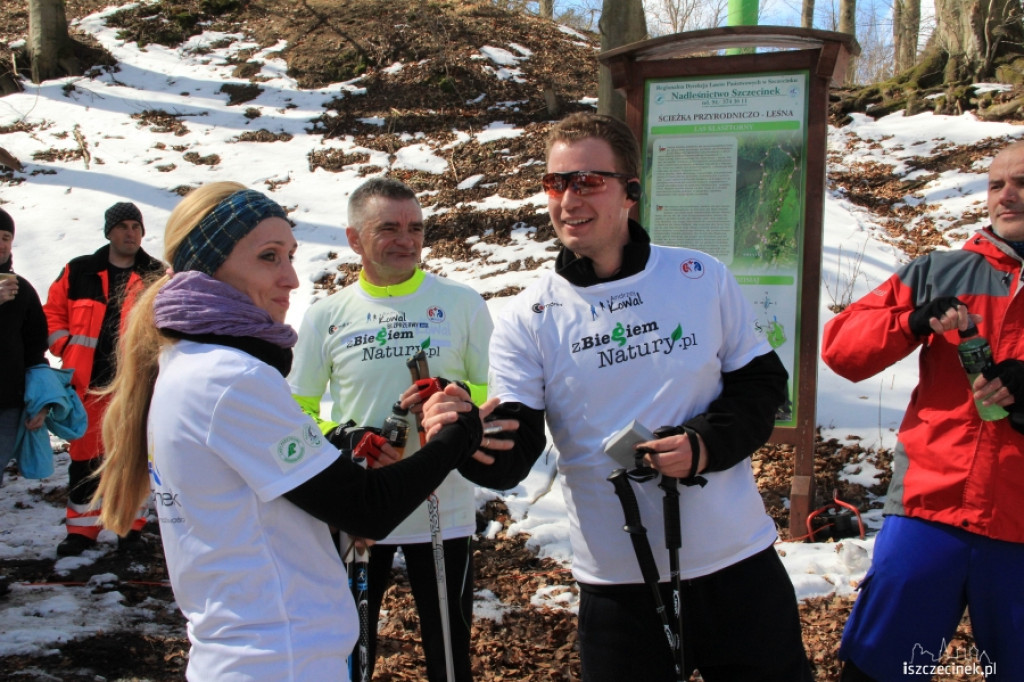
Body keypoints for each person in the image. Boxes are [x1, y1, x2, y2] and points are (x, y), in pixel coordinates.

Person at [430, 113, 812, 681]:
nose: (567, 199)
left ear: (631, 191)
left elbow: (762, 385)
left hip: (734, 563)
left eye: (587, 181)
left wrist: (705, 446)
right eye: (555, 183)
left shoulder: (698, 276)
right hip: (619, 584)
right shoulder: (528, 315)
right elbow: (510, 454)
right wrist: (461, 433)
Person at [92, 181, 485, 681]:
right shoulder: (231, 378)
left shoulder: (188, 362)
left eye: (291, 255)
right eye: (269, 257)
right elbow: (368, 507)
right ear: (208, 268)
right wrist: (457, 436)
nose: (292, 278)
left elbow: (268, 497)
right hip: (280, 656)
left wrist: (339, 445)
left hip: (247, 649)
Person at [822, 141, 1024, 681]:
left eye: (1021, 182)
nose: (1007, 196)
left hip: (1020, 526)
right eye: (996, 185)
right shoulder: (941, 272)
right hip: (928, 510)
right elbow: (841, 349)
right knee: (877, 667)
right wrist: (911, 321)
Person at [288, 177, 495, 682]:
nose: (407, 239)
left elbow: (492, 394)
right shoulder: (326, 315)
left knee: (449, 653)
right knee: (353, 650)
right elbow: (298, 408)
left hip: (441, 505)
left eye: (416, 227)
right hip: (358, 506)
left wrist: (452, 399)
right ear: (354, 238)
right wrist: (351, 438)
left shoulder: (462, 303)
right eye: (389, 228)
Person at [42, 201, 164, 556]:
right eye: (123, 226)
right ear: (109, 231)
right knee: (84, 461)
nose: (131, 233)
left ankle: (130, 530)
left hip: (134, 388)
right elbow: (52, 313)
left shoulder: (157, 274)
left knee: (132, 459)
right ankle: (81, 531)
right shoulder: (79, 270)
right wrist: (64, 345)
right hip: (87, 388)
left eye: (136, 227)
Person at [0, 207, 49, 486]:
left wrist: (40, 402)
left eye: (6, 237)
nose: (2, 244)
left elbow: (35, 351)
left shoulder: (23, 290)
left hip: (7, 404)